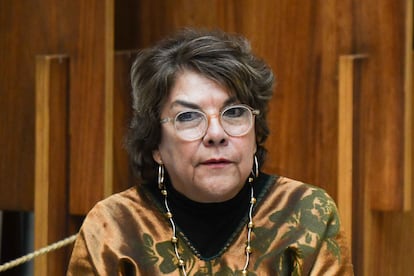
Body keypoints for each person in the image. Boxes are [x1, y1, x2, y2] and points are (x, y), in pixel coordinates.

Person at [67, 28, 353, 275]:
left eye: (234, 113)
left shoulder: (306, 214)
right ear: (155, 144)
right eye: (188, 117)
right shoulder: (113, 227)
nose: (216, 134)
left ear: (255, 132)